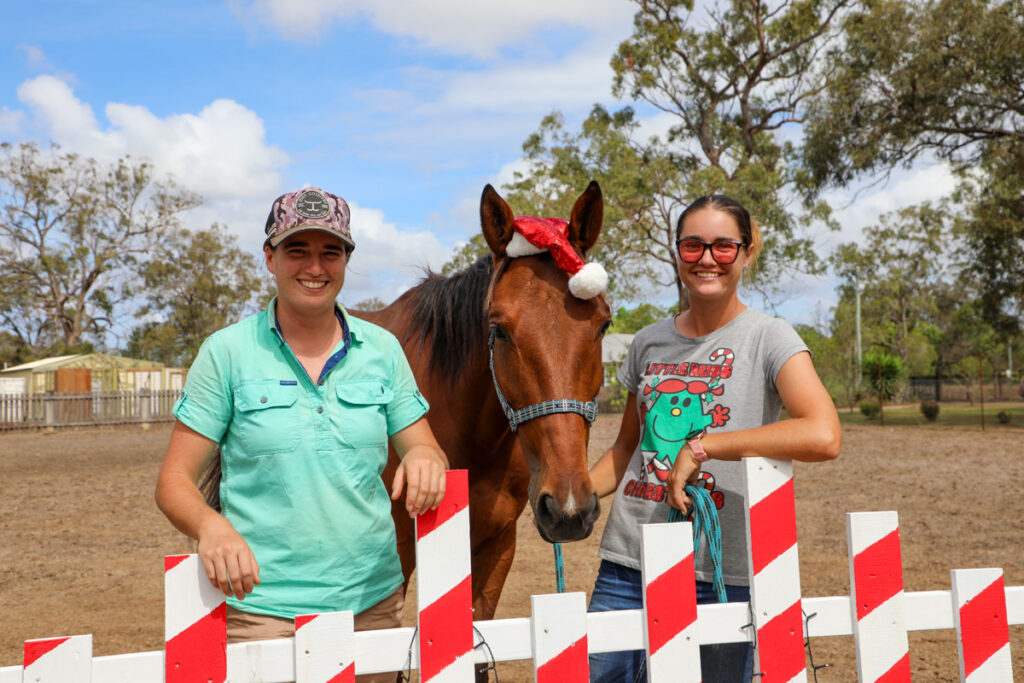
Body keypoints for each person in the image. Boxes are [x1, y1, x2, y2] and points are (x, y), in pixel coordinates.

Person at [155, 187, 448, 683]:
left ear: (346, 261)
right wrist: (211, 526)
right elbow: (173, 482)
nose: (315, 267)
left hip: (370, 604)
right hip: (261, 612)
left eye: (330, 252)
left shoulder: (383, 350)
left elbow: (425, 445)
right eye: (297, 250)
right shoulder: (225, 353)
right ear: (270, 257)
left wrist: (424, 456)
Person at [587, 194, 841, 682]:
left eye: (724, 247)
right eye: (693, 246)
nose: (707, 259)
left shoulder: (769, 337)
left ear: (747, 254)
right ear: (678, 253)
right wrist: (573, 494)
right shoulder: (647, 342)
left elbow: (824, 434)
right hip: (627, 563)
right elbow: (627, 452)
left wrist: (704, 448)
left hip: (720, 571)